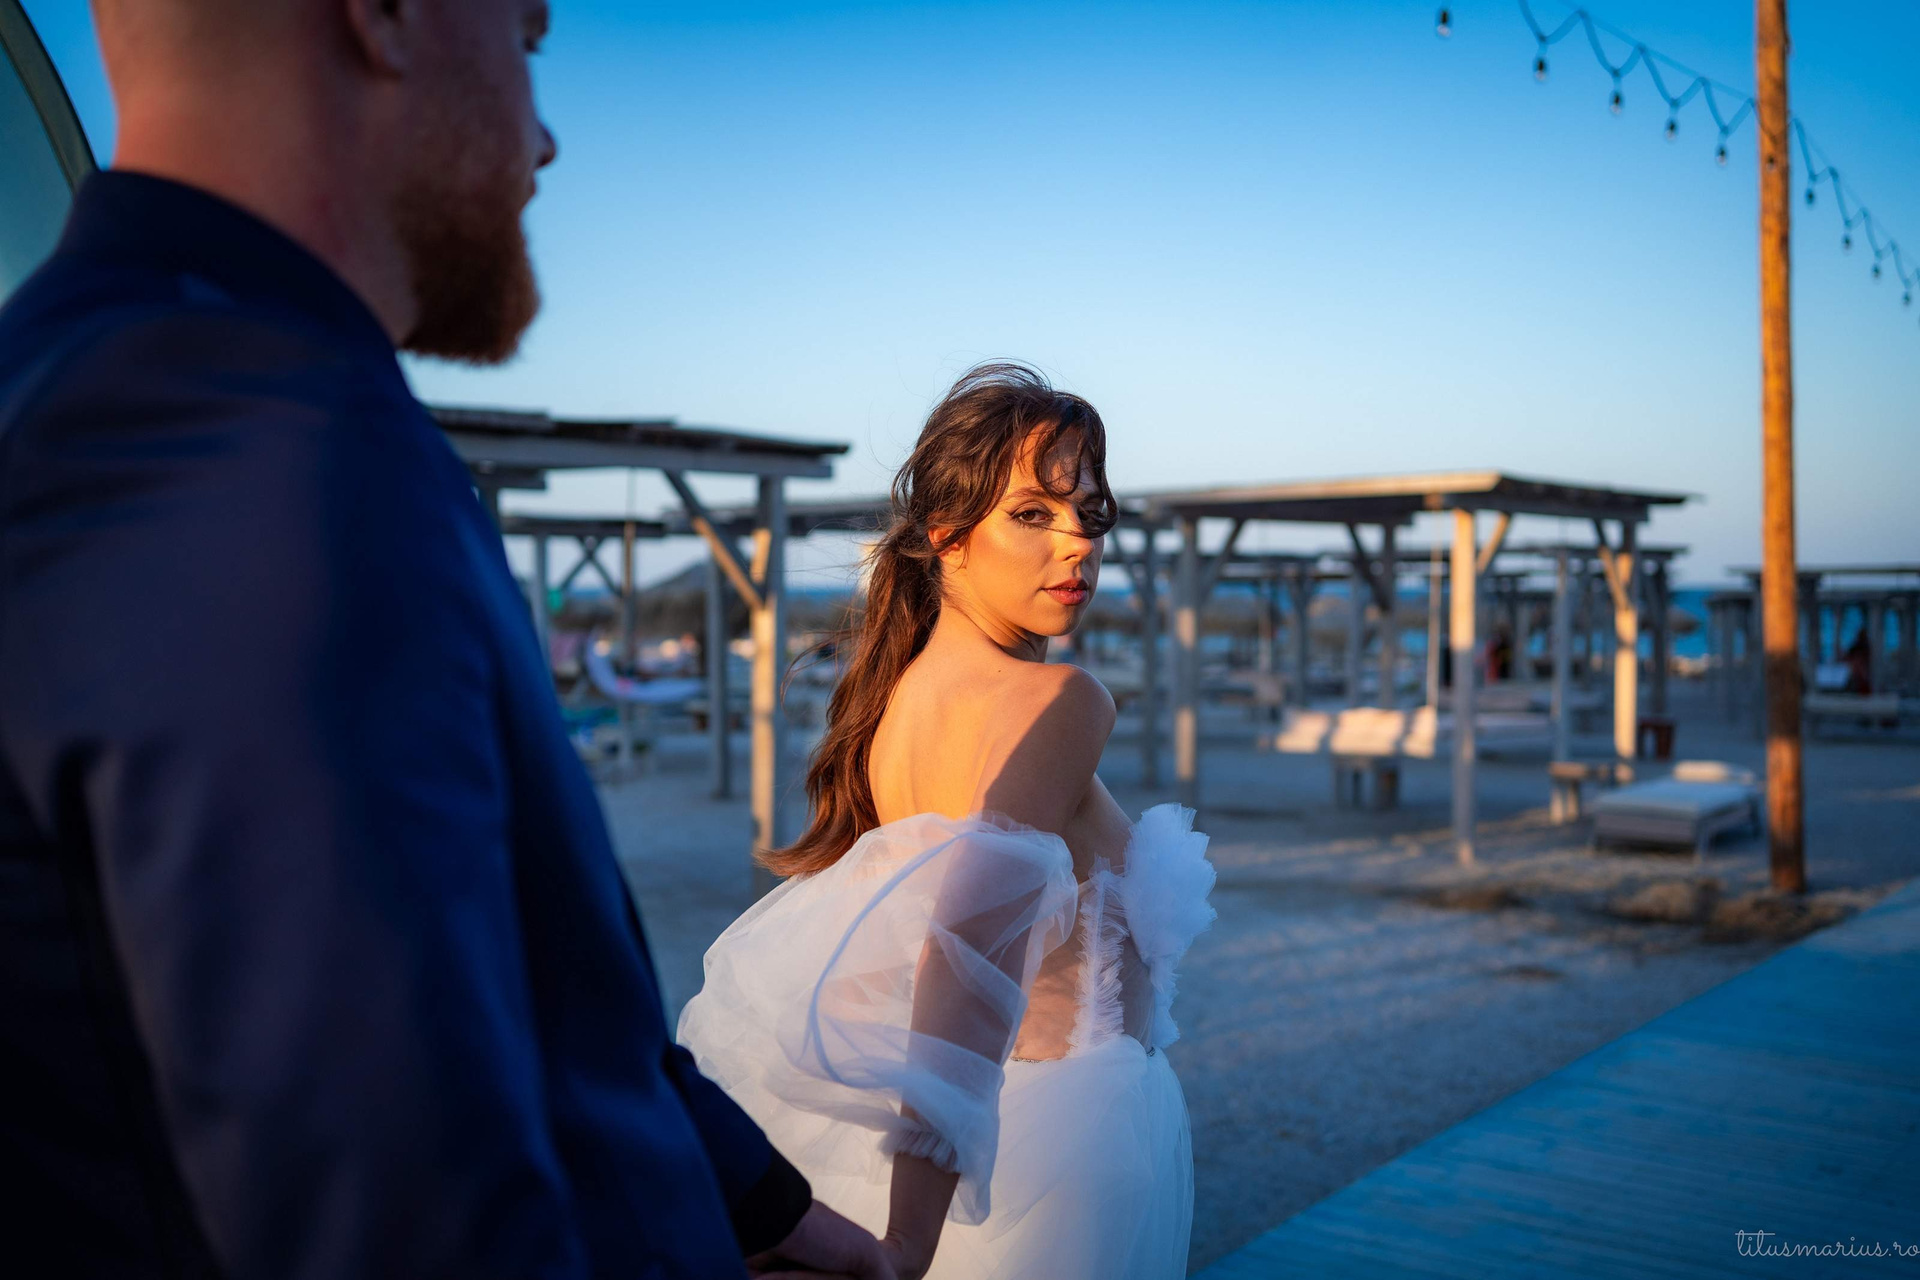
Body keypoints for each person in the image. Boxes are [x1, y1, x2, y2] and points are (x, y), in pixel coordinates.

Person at [0, 2, 888, 1276]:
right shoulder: (262, 456)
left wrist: (760, 1203)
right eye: (528, 42)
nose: (546, 138)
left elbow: (529, 976)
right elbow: (391, 1202)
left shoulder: (138, 390)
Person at [679, 364, 1217, 1279]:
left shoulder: (894, 708)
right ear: (947, 533)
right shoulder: (1059, 701)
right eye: (1032, 513)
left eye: (1088, 513)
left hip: (1000, 1135)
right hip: (1059, 1159)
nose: (1077, 545)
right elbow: (965, 959)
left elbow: (885, 966)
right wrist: (907, 1242)